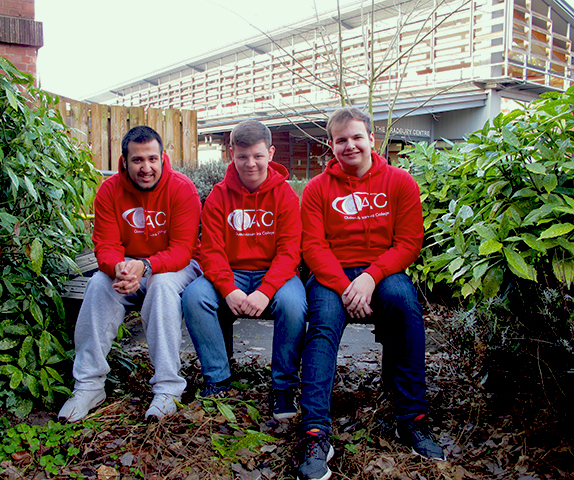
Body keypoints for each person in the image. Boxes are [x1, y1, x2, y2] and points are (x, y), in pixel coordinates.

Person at [296, 107, 444, 480]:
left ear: (371, 140)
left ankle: (413, 419)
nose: (350, 146)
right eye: (341, 140)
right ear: (331, 145)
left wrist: (371, 276)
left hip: (383, 271)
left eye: (357, 137)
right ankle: (315, 433)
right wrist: (347, 285)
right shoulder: (316, 189)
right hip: (333, 276)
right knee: (324, 325)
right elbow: (313, 247)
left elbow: (409, 242)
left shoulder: (399, 182)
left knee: (405, 304)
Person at [58, 126, 202, 422]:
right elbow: (106, 246)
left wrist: (146, 266)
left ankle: (167, 389)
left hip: (176, 268)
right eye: (138, 160)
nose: (146, 168)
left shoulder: (181, 187)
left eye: (152, 159)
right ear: (124, 161)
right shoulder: (109, 190)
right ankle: (88, 386)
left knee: (161, 285)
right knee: (98, 284)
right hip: (129, 268)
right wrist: (119, 269)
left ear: (163, 157)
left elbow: (183, 249)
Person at [182, 120, 306, 419]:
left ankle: (283, 387)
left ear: (271, 153)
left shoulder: (285, 196)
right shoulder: (218, 196)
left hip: (274, 273)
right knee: (194, 297)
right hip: (232, 272)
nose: (250, 163)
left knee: (293, 304)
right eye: (242, 156)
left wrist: (266, 291)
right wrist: (228, 289)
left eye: (258, 156)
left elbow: (290, 251)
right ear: (231, 154)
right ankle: (218, 379)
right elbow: (210, 251)